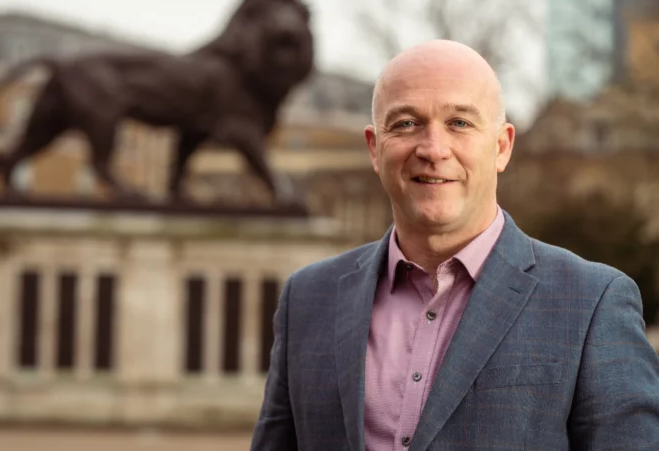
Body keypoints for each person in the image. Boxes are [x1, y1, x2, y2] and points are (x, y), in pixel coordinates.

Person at [249, 39, 659, 451]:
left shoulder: (591, 303)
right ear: (374, 148)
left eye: (460, 123)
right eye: (406, 123)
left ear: (502, 147)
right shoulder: (308, 299)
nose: (433, 149)